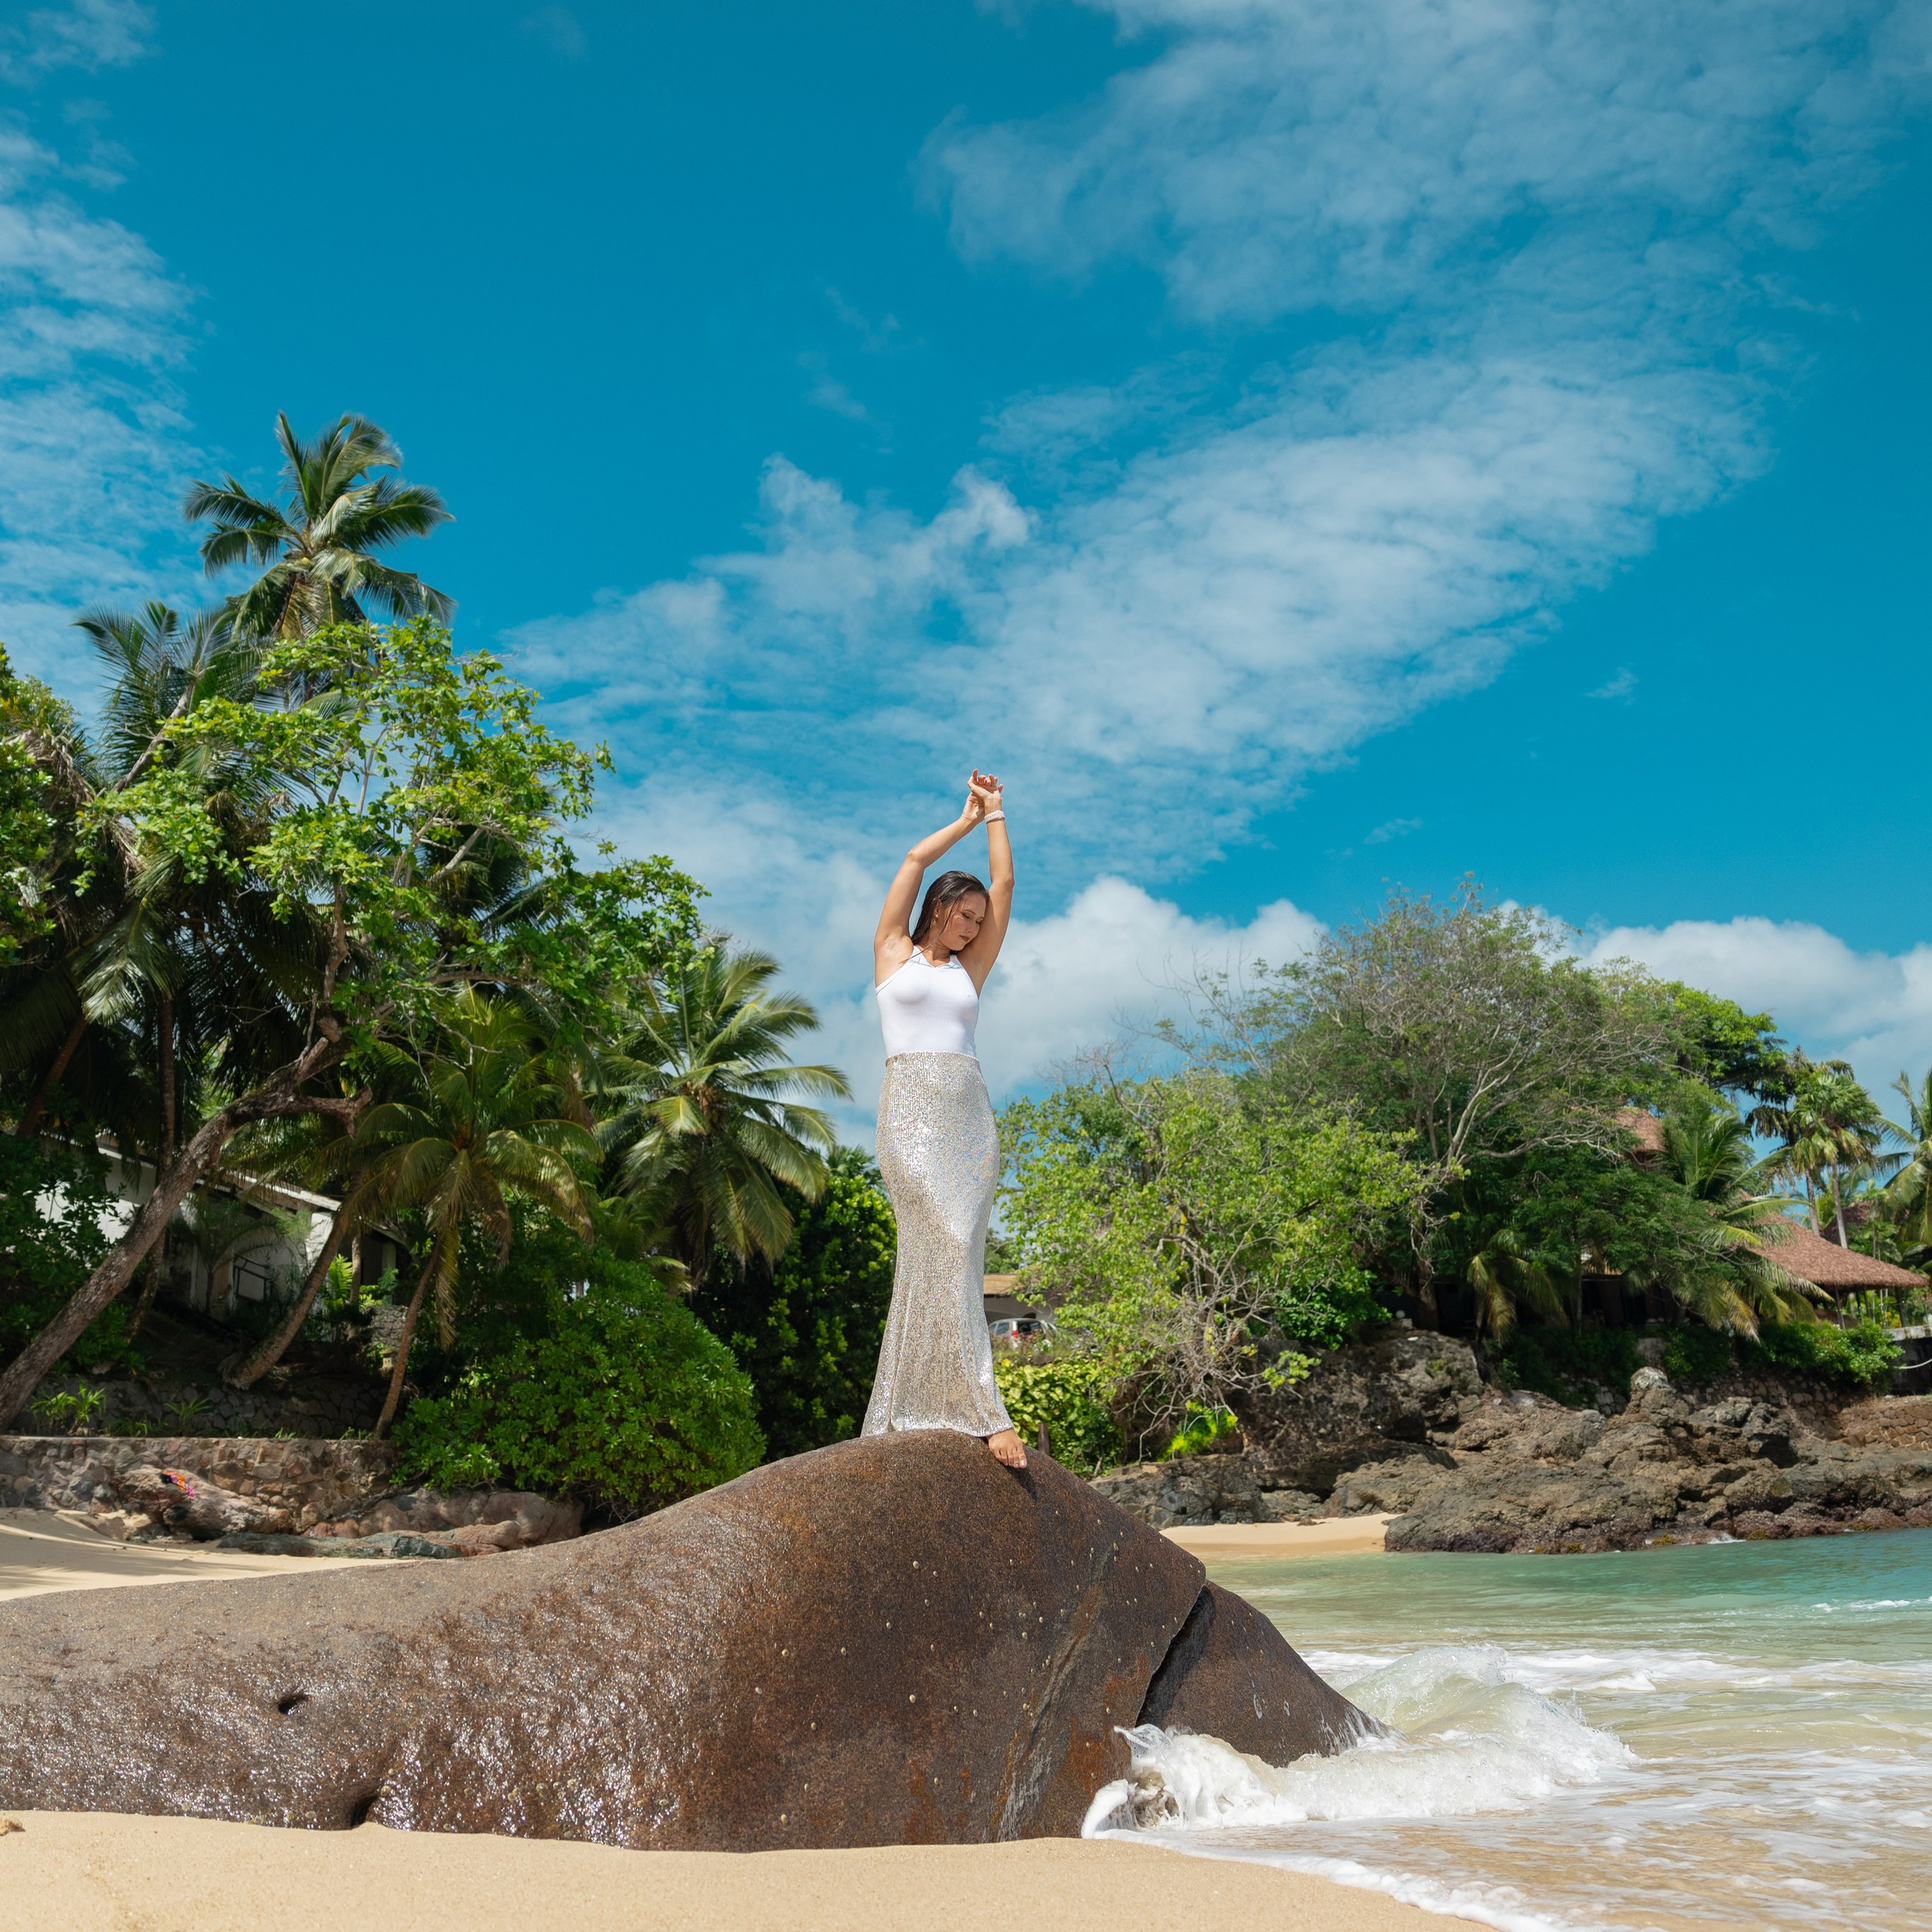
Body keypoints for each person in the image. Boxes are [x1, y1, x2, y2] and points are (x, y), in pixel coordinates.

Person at [863, 769, 1027, 1469]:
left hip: (968, 1118)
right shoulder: (893, 953)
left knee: (959, 1252)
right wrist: (966, 816)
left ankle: (922, 1408)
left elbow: (1009, 887)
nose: (973, 927)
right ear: (942, 906)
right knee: (939, 1245)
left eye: (980, 923)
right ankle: (979, 1412)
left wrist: (999, 817)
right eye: (965, 915)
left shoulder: (971, 971)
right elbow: (911, 860)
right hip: (909, 1116)